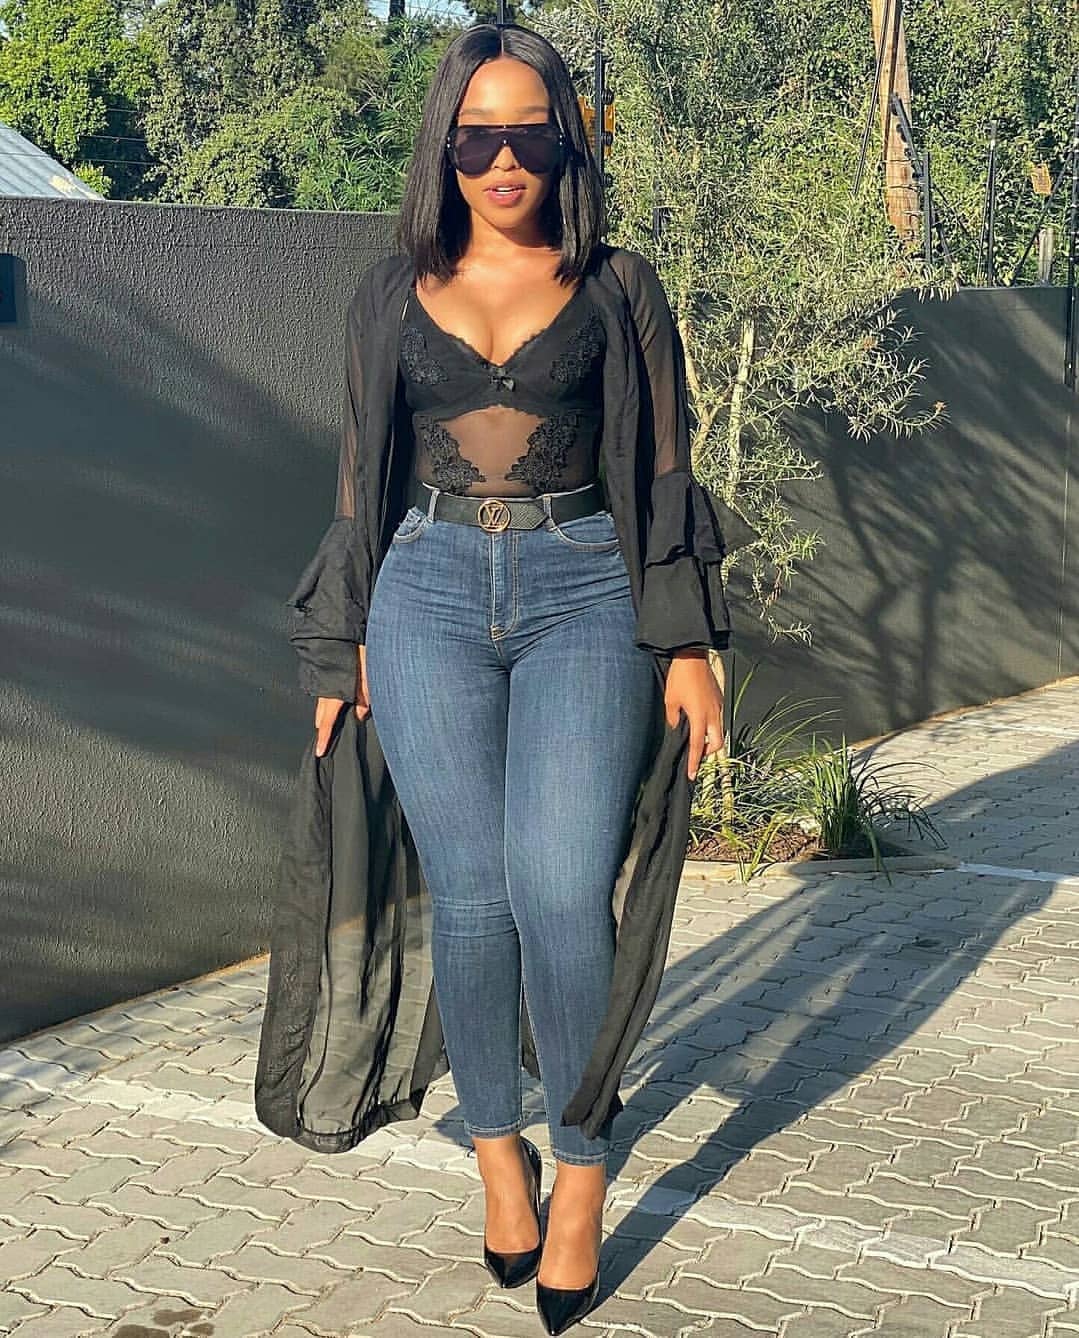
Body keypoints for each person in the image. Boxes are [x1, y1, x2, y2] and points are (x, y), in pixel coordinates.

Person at [268, 20, 741, 1336]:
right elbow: (361, 476)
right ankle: (497, 1154)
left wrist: (687, 642)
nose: (504, 160)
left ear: (568, 142)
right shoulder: (390, 292)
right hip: (422, 594)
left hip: (584, 591)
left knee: (561, 891)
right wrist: (338, 644)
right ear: (445, 147)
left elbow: (663, 470)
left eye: (530, 132)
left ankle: (581, 1164)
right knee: (471, 900)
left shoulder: (620, 287)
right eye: (478, 137)